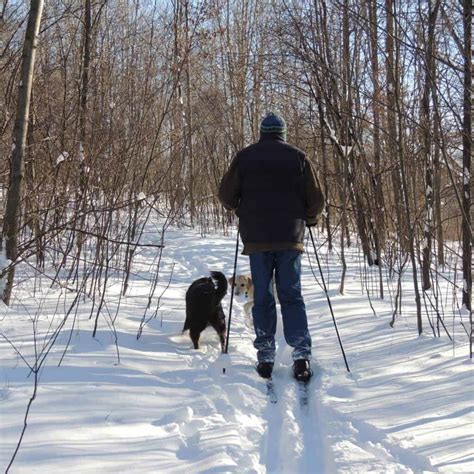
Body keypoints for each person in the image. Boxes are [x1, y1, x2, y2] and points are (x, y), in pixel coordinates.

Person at [218, 112, 325, 382]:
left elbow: (226, 196)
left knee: (263, 297)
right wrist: (309, 219)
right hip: (290, 237)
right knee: (291, 296)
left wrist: (239, 206)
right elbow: (316, 200)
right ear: (283, 133)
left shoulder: (245, 157)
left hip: (257, 238)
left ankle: (265, 356)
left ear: (262, 133)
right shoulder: (299, 157)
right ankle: (301, 356)